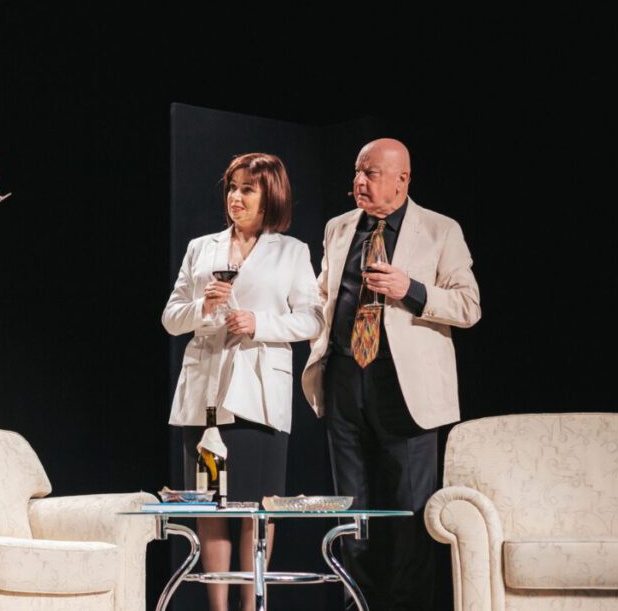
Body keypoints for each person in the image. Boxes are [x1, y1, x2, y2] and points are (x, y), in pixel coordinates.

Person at [302, 138, 481, 609]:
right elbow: (323, 293)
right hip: (345, 377)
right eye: (357, 172)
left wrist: (411, 289)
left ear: (402, 180)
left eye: (371, 173)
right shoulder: (339, 227)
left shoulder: (440, 230)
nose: (359, 182)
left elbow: (469, 305)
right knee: (350, 512)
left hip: (406, 388)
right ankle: (356, 604)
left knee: (409, 512)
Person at [163, 153, 323, 611]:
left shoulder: (291, 251)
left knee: (257, 508)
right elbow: (171, 318)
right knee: (212, 505)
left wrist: (260, 323)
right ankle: (218, 608)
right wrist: (204, 308)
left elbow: (312, 319)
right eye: (232, 188)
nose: (235, 197)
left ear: (270, 195)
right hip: (206, 398)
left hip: (258, 397)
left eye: (247, 189)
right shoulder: (202, 247)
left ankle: (253, 605)